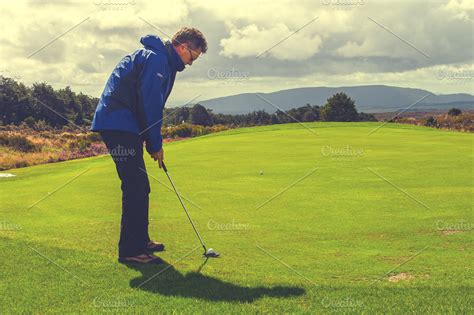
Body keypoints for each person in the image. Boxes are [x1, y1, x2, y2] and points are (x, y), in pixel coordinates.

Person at [90, 27, 208, 264]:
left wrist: (149, 139)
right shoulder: (156, 60)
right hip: (119, 124)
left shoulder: (161, 59)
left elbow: (148, 105)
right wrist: (155, 144)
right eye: (192, 56)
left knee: (140, 186)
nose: (191, 63)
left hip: (125, 124)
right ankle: (131, 251)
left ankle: (140, 240)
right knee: (135, 186)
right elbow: (150, 104)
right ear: (182, 47)